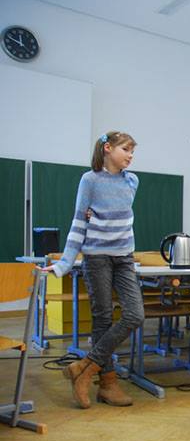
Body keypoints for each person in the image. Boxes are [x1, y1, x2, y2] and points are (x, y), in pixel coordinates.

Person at [41, 131, 145, 409]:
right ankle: (108, 385)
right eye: (126, 149)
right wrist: (64, 263)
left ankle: (84, 368)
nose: (131, 156)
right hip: (96, 257)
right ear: (108, 148)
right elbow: (79, 222)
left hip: (124, 257)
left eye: (133, 151)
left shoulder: (132, 181)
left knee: (135, 314)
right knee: (102, 319)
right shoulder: (89, 180)